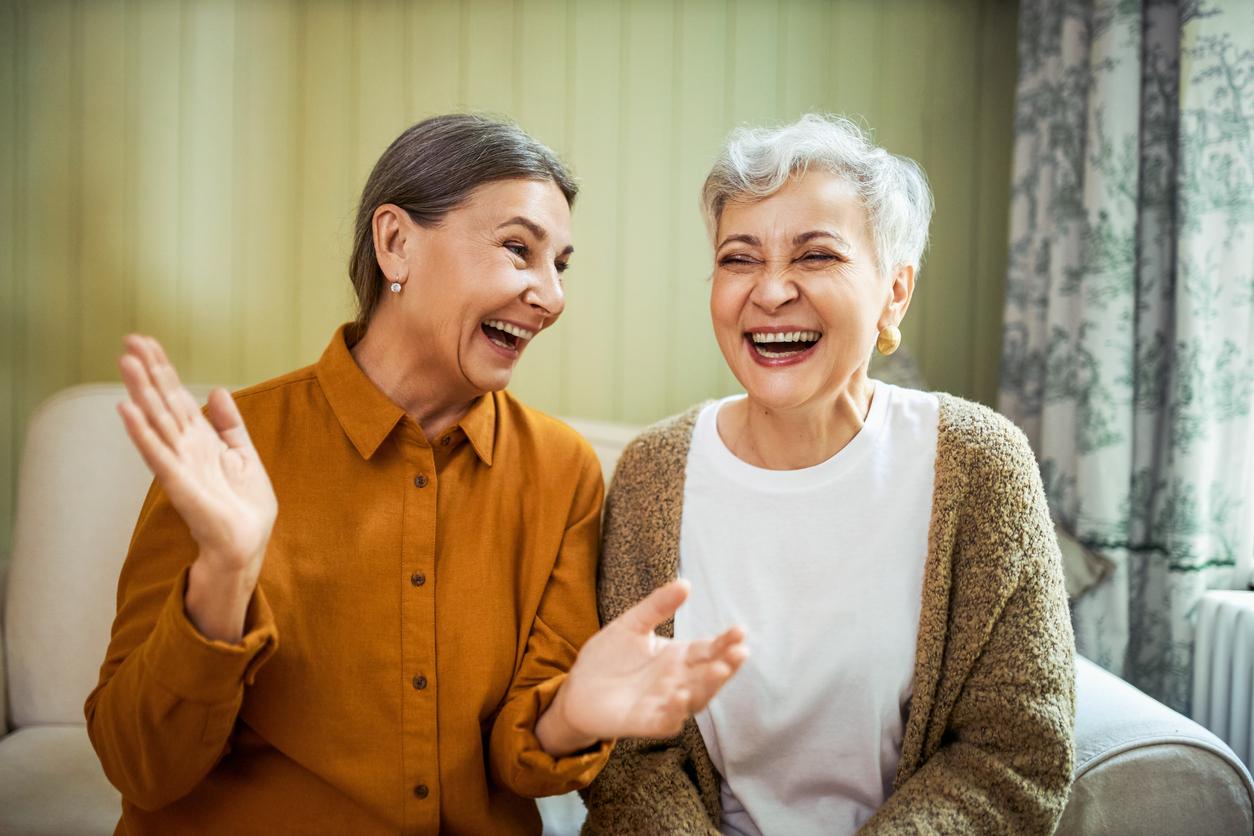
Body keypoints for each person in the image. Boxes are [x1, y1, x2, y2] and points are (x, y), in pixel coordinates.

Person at [85, 113, 747, 835]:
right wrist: (224, 573)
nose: (551, 297)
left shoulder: (562, 471)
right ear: (396, 243)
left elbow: (523, 764)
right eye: (518, 249)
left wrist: (572, 715)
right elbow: (139, 765)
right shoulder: (231, 452)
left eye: (560, 265)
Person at [581, 114, 1075, 835]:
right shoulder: (653, 471)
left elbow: (1014, 753)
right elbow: (629, 758)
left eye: (815, 255)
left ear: (894, 293)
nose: (771, 291)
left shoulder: (979, 463)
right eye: (739, 259)